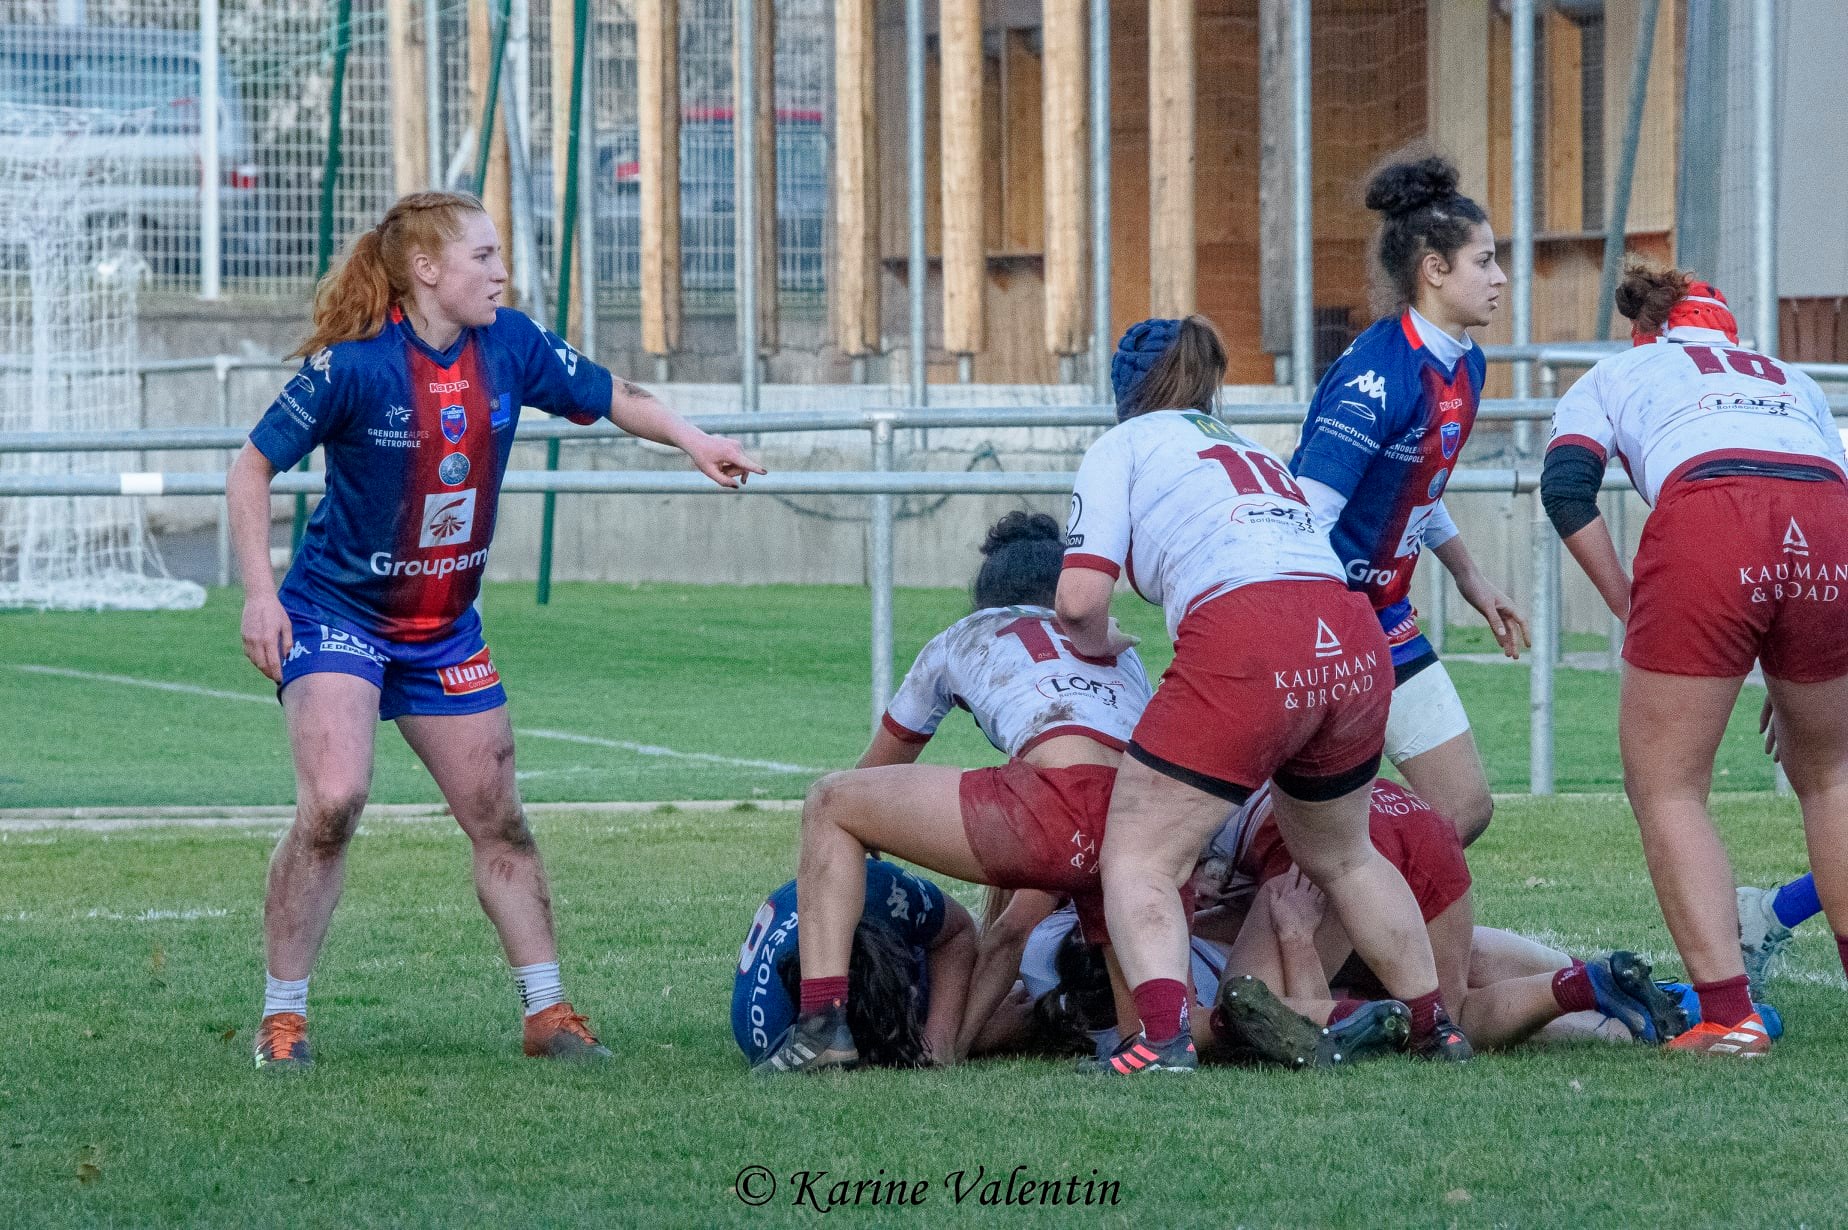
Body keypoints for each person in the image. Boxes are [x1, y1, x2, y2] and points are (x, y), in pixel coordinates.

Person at [227, 191, 764, 1070]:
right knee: (333, 802)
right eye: (483, 256)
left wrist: (693, 439)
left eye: (499, 254)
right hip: (339, 616)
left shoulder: (509, 343)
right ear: (427, 271)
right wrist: (260, 595)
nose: (501, 271)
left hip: (443, 631)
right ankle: (283, 1020)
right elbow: (251, 469)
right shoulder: (355, 365)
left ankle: (548, 1013)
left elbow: (614, 393)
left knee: (500, 819)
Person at [1059, 313, 1466, 1075]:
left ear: (1122, 392)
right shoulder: (1253, 452)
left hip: (1250, 633)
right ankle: (1433, 1024)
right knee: (1345, 854)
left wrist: (1100, 642)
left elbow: (1080, 600)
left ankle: (1161, 1040)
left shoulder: (1121, 445)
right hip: (1350, 631)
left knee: (1140, 855)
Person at [1541, 262, 1848, 1058]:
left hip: (1711, 512)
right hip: (1828, 514)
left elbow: (1567, 486)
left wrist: (1626, 599)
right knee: (1834, 777)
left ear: (1649, 328)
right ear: (1728, 328)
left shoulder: (1622, 368)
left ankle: (1728, 1016)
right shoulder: (1787, 375)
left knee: (1670, 787)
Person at [750, 511, 1151, 1074]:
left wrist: (839, 894)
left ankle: (824, 1024)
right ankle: (1125, 1037)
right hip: (1142, 828)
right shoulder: (1123, 652)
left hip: (1055, 810)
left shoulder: (968, 633)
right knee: (1144, 1041)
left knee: (831, 804)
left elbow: (877, 770)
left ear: (985, 598)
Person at [1290, 153, 1528, 846]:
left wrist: (1471, 578)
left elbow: (1416, 485)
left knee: (1463, 809)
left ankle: (1353, 938)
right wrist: (1330, 635)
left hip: (1384, 618)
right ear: (1434, 270)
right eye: (1484, 261)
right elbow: (1306, 521)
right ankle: (1303, 938)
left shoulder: (1465, 364)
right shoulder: (1376, 377)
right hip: (1325, 628)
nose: (1500, 277)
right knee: (1310, 836)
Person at [1200, 779, 1687, 1059]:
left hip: (1337, 843)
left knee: (1242, 1019)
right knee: (1450, 1017)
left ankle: (1370, 1018)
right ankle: (1589, 984)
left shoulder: (1181, 795)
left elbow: (1170, 891)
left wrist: (1297, 938)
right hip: (1410, 815)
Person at [733, 859, 975, 1070]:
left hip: (882, 917)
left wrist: (940, 1038)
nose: (913, 992)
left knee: (969, 1004)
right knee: (993, 1016)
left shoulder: (883, 889)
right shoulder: (768, 1033)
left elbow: (960, 932)